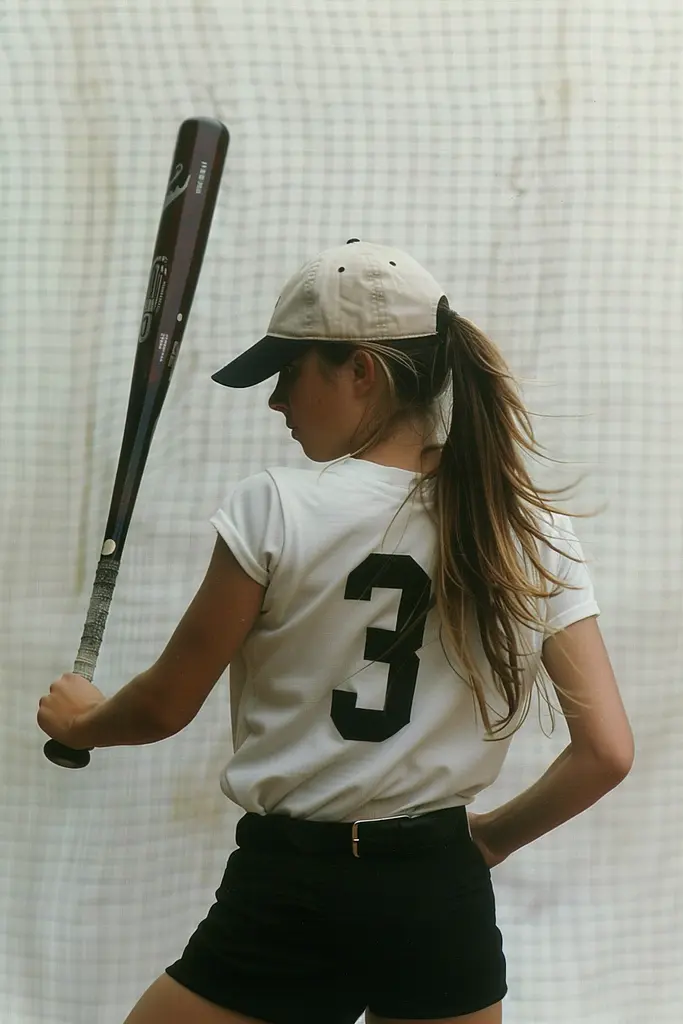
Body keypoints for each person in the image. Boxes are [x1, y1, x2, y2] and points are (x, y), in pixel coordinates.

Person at [38, 240, 634, 1024]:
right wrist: (480, 844)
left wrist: (85, 720)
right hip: (437, 898)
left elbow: (162, 708)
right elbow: (607, 753)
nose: (275, 401)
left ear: (361, 370)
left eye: (289, 373)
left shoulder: (274, 506)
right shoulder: (528, 528)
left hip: (294, 888)